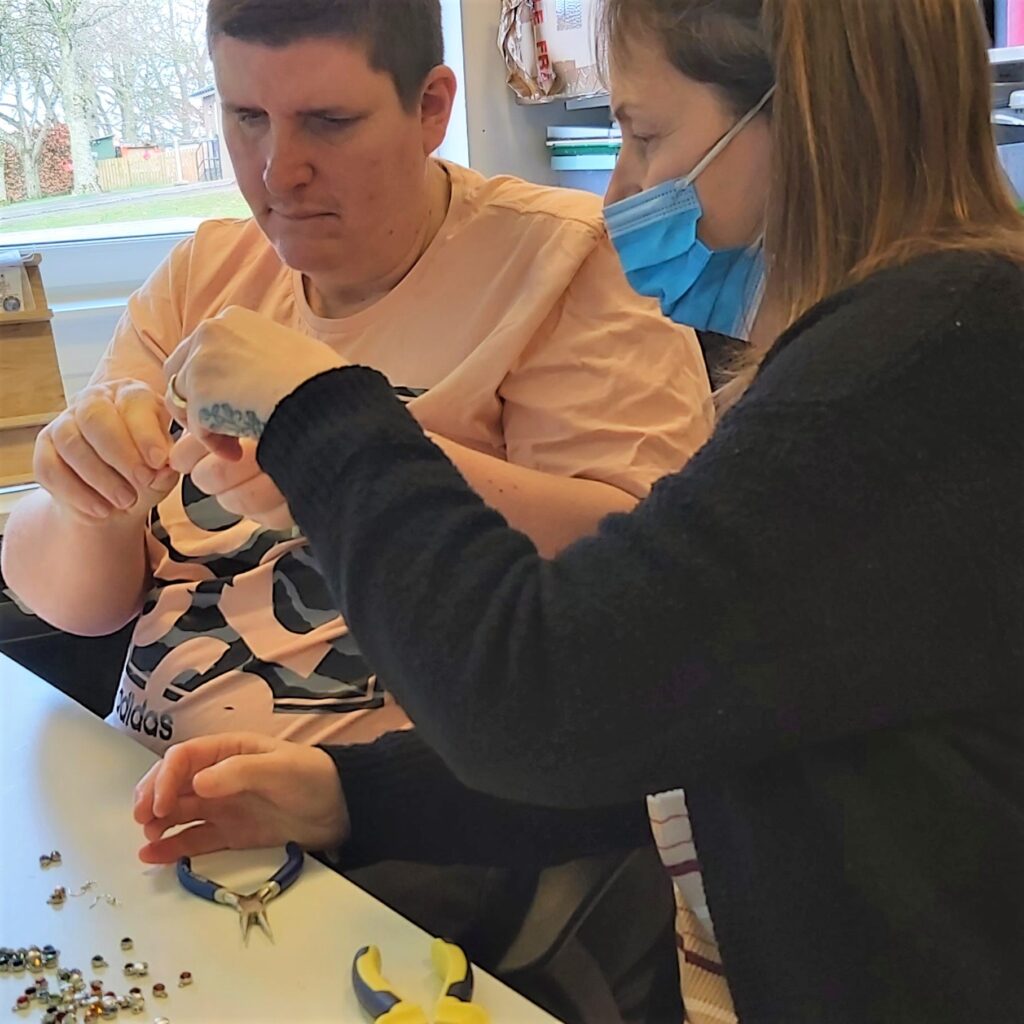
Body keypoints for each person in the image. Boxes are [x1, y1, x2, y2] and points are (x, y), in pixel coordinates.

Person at [136, 0, 1023, 1021]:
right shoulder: (903, 349)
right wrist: (352, 794)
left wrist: (319, 411)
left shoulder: (931, 369)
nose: (619, 190)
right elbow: (671, 698)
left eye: (644, 135)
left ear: (816, 117)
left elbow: (540, 695)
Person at [0, 0, 712, 754]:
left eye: (329, 121)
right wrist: (88, 500)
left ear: (431, 108)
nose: (280, 169)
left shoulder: (568, 264)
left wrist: (336, 441)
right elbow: (82, 609)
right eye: (246, 116)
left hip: (387, 825)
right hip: (141, 796)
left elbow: (636, 574)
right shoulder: (202, 275)